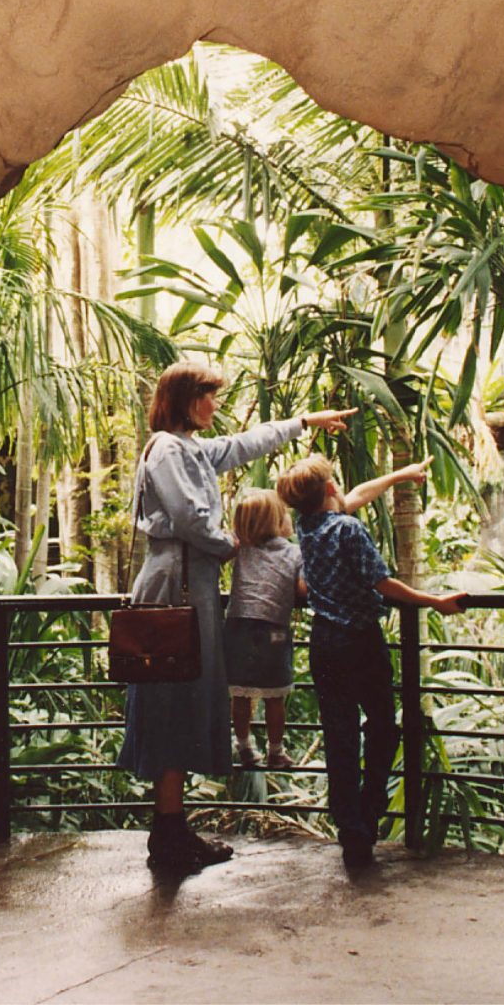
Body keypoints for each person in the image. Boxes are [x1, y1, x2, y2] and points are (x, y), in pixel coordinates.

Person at [117, 360, 355, 869]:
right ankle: (169, 835)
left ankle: (172, 829)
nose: (216, 404)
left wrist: (304, 422)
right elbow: (190, 518)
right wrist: (234, 544)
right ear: (186, 399)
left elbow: (244, 444)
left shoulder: (191, 449)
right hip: (176, 585)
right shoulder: (167, 448)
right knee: (173, 699)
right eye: (209, 395)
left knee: (183, 701)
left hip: (191, 582)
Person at [277, 453, 466, 870]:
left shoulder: (308, 526)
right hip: (360, 641)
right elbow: (383, 583)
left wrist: (401, 475)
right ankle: (370, 808)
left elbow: (357, 495)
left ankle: (352, 832)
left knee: (340, 736)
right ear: (331, 489)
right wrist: (434, 601)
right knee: (382, 725)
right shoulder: (348, 529)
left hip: (325, 643)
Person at [223, 489, 307, 770]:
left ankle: (244, 746)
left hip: (238, 626)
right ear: (276, 521)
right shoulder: (295, 552)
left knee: (241, 694)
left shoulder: (241, 548)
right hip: (274, 628)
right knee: (275, 696)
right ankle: (276, 751)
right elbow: (302, 589)